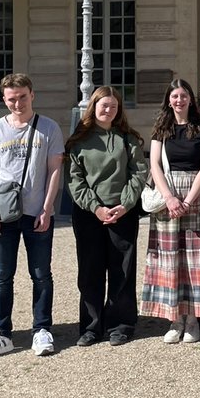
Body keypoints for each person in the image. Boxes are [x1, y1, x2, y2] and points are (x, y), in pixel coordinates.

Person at [0, 73, 66, 359]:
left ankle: (41, 329)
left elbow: (54, 171)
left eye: (22, 97)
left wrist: (47, 208)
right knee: (1, 276)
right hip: (4, 214)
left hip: (37, 212)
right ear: (4, 99)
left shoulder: (48, 128)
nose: (17, 103)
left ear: (32, 94)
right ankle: (1, 333)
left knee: (41, 274)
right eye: (12, 99)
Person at [65, 86, 149, 347]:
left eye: (113, 106)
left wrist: (124, 204)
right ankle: (91, 326)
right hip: (90, 214)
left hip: (122, 212)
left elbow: (138, 173)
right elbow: (75, 180)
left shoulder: (128, 139)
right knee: (90, 271)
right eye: (104, 105)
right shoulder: (78, 141)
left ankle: (120, 324)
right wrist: (96, 207)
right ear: (94, 107)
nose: (108, 110)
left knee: (122, 271)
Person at [141, 79, 200, 344]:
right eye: (174, 96)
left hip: (197, 195)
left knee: (196, 262)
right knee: (169, 260)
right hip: (168, 195)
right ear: (168, 100)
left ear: (191, 100)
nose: (179, 100)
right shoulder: (162, 128)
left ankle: (194, 319)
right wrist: (171, 198)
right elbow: (154, 165)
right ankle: (175, 318)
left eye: (183, 96)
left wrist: (189, 199)